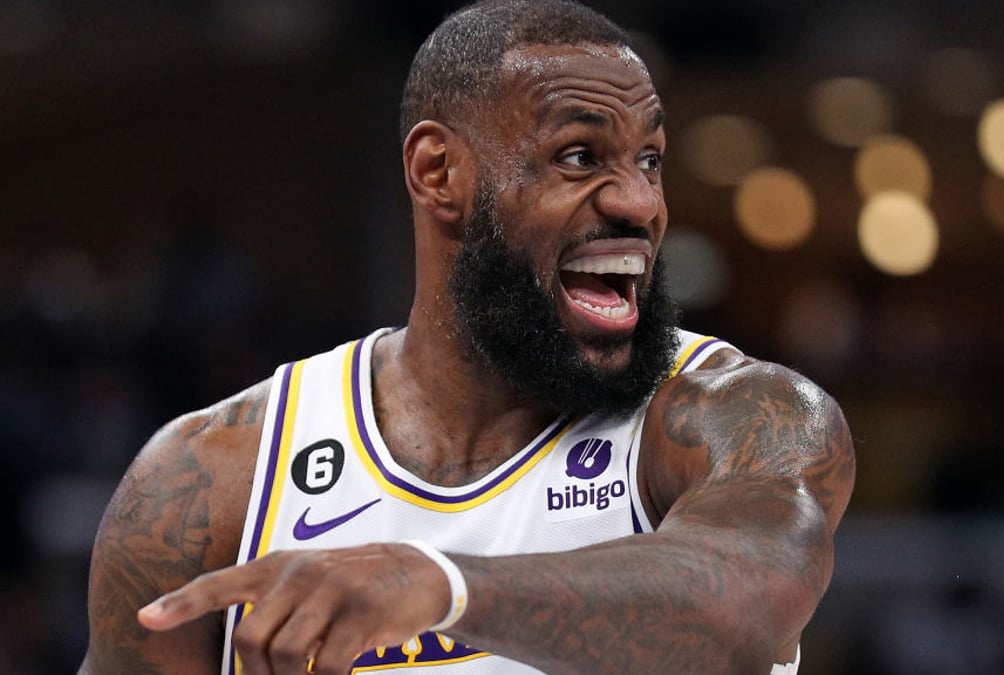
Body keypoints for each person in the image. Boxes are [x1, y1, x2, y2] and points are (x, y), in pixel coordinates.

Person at [80, 1, 856, 673]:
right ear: (438, 171)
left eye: (649, 159)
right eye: (579, 156)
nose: (638, 201)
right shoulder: (213, 477)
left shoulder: (739, 413)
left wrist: (441, 587)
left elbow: (742, 610)